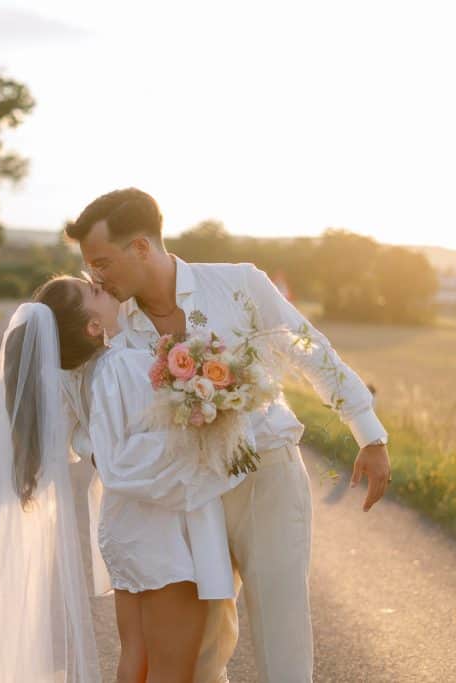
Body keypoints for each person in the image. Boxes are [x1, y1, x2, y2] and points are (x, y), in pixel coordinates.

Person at [65, 188, 392, 683]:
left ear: (140, 248)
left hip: (266, 476)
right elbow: (89, 406)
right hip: (185, 499)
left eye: (102, 262)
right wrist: (101, 454)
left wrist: (368, 433)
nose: (96, 277)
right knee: (201, 650)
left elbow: (308, 347)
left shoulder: (239, 285)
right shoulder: (115, 328)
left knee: (280, 634)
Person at [0, 275, 245, 683]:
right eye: (94, 292)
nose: (105, 287)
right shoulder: (122, 365)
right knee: (170, 671)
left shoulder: (80, 375)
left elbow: (99, 447)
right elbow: (128, 454)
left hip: (125, 529)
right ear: (92, 327)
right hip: (157, 533)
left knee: (135, 660)